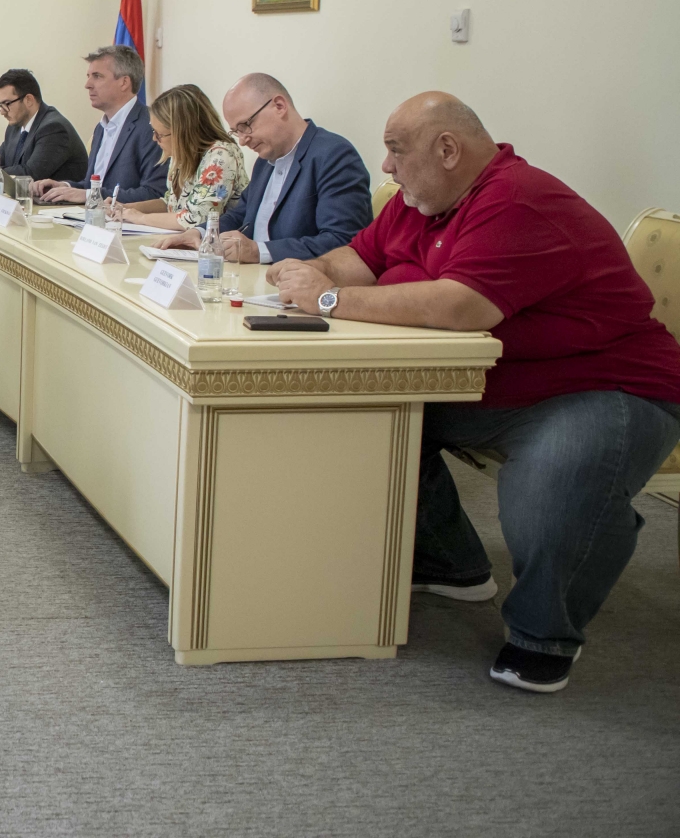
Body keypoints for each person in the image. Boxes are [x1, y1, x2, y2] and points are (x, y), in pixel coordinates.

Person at [267, 92, 680, 694]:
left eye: (396, 150)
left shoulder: (518, 200)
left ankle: (544, 634)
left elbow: (460, 306)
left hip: (601, 387)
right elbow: (360, 257)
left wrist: (328, 298)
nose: (386, 166)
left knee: (554, 481)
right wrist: (314, 271)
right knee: (358, 417)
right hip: (481, 381)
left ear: (448, 150)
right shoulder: (422, 200)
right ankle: (452, 564)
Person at [153, 73, 372, 262]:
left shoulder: (333, 155)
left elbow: (343, 241)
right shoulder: (264, 162)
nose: (242, 140)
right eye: (236, 131)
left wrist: (259, 251)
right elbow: (240, 215)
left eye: (245, 126)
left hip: (300, 284)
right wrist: (200, 233)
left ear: (279, 106)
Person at [35, 45, 167, 205]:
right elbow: (94, 187)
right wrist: (64, 187)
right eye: (88, 76)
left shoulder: (151, 126)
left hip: (126, 219)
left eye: (97, 76)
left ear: (124, 82)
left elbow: (154, 194)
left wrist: (90, 195)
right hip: (94, 216)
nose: (88, 84)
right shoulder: (101, 128)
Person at [116, 83, 247, 231]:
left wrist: (140, 218)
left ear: (182, 133)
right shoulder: (180, 156)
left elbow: (196, 218)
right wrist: (125, 208)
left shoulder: (222, 155)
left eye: (159, 134)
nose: (154, 139)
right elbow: (171, 204)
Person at [0, 68, 87, 184]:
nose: (2, 112)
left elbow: (30, 174)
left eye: (7, 104)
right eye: (0, 105)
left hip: (56, 207)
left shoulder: (53, 128)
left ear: (28, 100)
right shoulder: (15, 126)